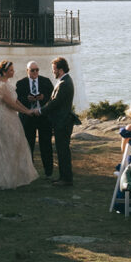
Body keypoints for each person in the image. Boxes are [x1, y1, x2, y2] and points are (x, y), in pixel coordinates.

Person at [0, 61, 39, 192]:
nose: (13, 72)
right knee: (5, 146)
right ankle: (5, 179)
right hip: (3, 117)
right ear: (4, 72)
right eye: (11, 70)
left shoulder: (7, 84)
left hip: (10, 116)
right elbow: (11, 104)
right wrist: (27, 112)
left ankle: (15, 176)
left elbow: (16, 101)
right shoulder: (0, 85)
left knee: (15, 144)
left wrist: (27, 110)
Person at [38, 56, 78, 188]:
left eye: (54, 69)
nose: (53, 71)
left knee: (63, 151)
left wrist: (39, 111)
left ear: (60, 69)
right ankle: (63, 177)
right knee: (61, 150)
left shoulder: (64, 83)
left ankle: (66, 179)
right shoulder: (65, 80)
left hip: (63, 122)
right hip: (62, 121)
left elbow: (55, 102)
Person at [15, 61, 54, 177]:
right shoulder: (21, 83)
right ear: (27, 71)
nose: (35, 72)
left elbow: (52, 98)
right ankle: (29, 171)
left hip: (43, 118)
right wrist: (28, 99)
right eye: (32, 70)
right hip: (28, 117)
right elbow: (17, 100)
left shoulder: (46, 81)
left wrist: (43, 98)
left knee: (46, 144)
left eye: (37, 70)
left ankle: (48, 172)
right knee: (28, 145)